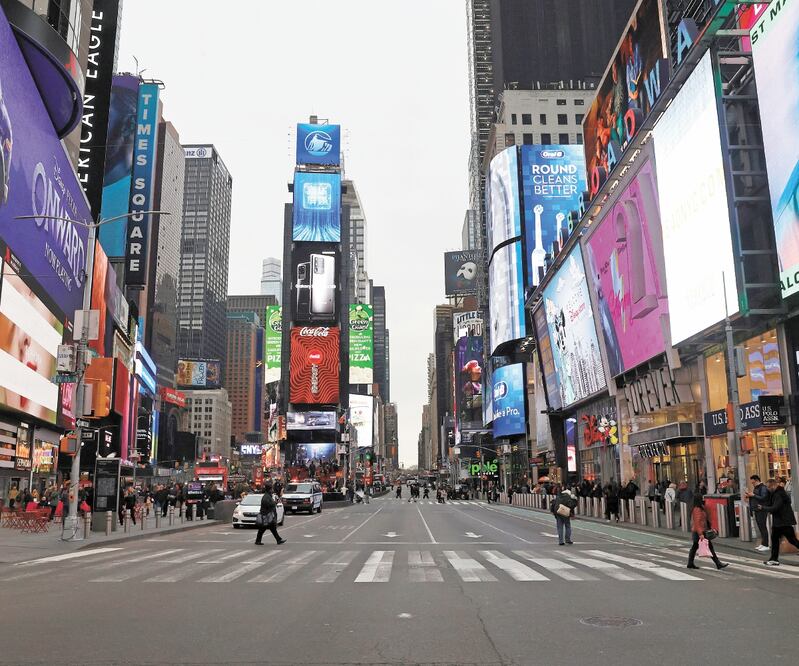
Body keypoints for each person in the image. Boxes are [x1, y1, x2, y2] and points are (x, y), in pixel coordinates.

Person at [756, 478, 799, 566]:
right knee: (791, 540)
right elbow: (770, 503)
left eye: (768, 487)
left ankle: (774, 559)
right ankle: (773, 559)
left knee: (778, 540)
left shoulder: (778, 494)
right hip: (783, 521)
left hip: (781, 521)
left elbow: (775, 507)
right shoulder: (778, 493)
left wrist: (763, 508)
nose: (767, 489)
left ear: (773, 485)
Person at [687, 496, 728, 570]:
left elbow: (704, 520)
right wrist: (701, 534)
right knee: (708, 547)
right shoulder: (697, 509)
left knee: (695, 547)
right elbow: (697, 522)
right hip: (699, 532)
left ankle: (690, 563)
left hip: (699, 531)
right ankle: (718, 564)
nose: (703, 500)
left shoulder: (700, 508)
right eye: (701, 498)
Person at [744, 474, 771, 552]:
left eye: (753, 482)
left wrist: (753, 495)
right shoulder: (757, 488)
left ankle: (766, 544)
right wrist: (749, 496)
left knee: (763, 527)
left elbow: (763, 498)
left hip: (761, 510)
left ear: (756, 480)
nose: (752, 484)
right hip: (757, 509)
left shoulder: (763, 488)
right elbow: (756, 497)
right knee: (760, 527)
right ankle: (763, 543)